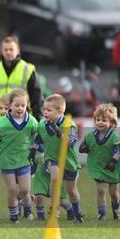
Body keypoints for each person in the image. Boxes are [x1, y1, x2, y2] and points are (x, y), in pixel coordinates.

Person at [0, 89, 38, 223]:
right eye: (17, 105)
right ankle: (14, 217)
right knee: (12, 189)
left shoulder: (32, 121)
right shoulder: (1, 123)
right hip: (6, 162)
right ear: (10, 105)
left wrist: (40, 152)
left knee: (25, 190)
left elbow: (37, 139)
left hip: (24, 161)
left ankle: (25, 207)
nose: (20, 108)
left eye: (23, 105)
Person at [31, 94, 84, 222]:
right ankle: (55, 211)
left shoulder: (68, 125)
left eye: (49, 110)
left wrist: (59, 133)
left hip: (69, 163)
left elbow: (71, 143)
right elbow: (38, 139)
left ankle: (78, 212)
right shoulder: (42, 125)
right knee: (55, 177)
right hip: (52, 159)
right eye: (44, 109)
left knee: (71, 192)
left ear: (60, 111)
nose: (45, 112)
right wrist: (32, 151)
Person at [79, 104, 120, 220]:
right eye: (98, 120)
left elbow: (118, 151)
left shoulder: (114, 137)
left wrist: (113, 161)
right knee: (101, 190)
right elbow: (82, 146)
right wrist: (84, 148)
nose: (100, 122)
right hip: (98, 166)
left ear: (111, 123)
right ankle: (102, 214)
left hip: (112, 167)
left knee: (113, 193)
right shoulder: (91, 136)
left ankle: (116, 209)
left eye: (103, 120)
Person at [0, 36, 42, 126]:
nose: (8, 52)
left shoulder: (28, 69)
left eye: (11, 49)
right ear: (1, 51)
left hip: (22, 122)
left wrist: (38, 121)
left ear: (17, 50)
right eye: (5, 49)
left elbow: (36, 99)